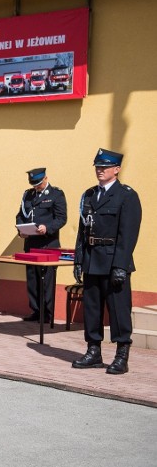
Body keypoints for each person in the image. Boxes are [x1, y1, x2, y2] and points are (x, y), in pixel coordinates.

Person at [72, 148, 141, 375]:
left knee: (119, 310)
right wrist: (79, 260)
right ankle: (94, 351)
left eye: (105, 167)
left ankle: (122, 355)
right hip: (92, 259)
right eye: (98, 167)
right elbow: (83, 230)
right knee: (92, 309)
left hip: (114, 261)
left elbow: (128, 234)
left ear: (117, 169)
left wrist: (120, 265)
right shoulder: (90, 195)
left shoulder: (127, 196)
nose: (100, 170)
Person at [16, 167, 67, 322]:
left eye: (38, 183)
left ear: (45, 178)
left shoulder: (56, 194)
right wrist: (20, 230)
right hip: (31, 243)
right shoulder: (28, 194)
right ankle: (36, 311)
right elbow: (20, 215)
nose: (36, 187)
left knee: (46, 280)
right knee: (32, 279)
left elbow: (61, 218)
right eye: (34, 184)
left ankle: (48, 314)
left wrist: (47, 228)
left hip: (48, 244)